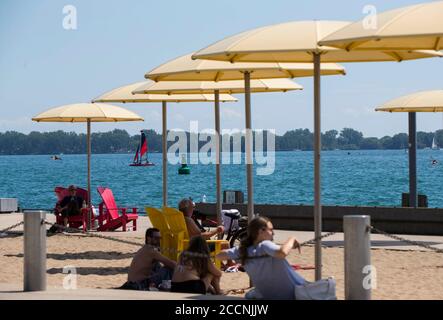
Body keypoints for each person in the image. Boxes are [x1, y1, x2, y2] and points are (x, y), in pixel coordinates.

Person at [216, 216, 306, 300]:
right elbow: (282, 253)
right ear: (261, 231)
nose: (273, 233)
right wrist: (292, 239)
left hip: (269, 295)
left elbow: (219, 256)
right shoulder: (265, 245)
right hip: (295, 294)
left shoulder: (242, 250)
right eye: (270, 230)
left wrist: (241, 255)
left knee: (251, 294)